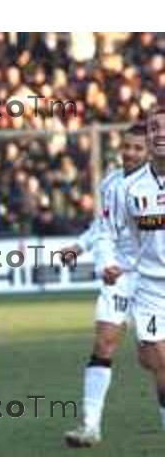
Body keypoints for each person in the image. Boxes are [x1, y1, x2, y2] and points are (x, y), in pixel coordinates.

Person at [62, 122, 149, 447]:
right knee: (104, 343)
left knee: (153, 358)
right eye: (126, 146)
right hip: (118, 275)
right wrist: (79, 246)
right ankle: (90, 426)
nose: (129, 152)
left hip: (153, 278)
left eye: (137, 148)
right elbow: (104, 226)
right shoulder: (111, 182)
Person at [93, 107, 165, 436]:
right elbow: (106, 231)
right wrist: (106, 262)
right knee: (159, 361)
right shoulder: (127, 187)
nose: (160, 133)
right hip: (151, 287)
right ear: (148, 137)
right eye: (154, 128)